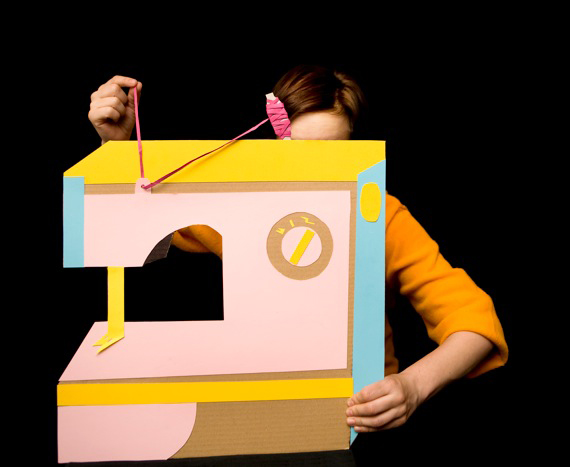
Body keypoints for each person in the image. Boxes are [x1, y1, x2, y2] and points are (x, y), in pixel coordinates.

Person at [88, 65, 508, 434]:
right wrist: (117, 150)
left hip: (357, 420)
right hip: (259, 412)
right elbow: (142, 223)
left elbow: (474, 323)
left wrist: (412, 387)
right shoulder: (239, 204)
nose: (312, 174)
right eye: (297, 155)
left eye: (332, 157)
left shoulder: (381, 216)